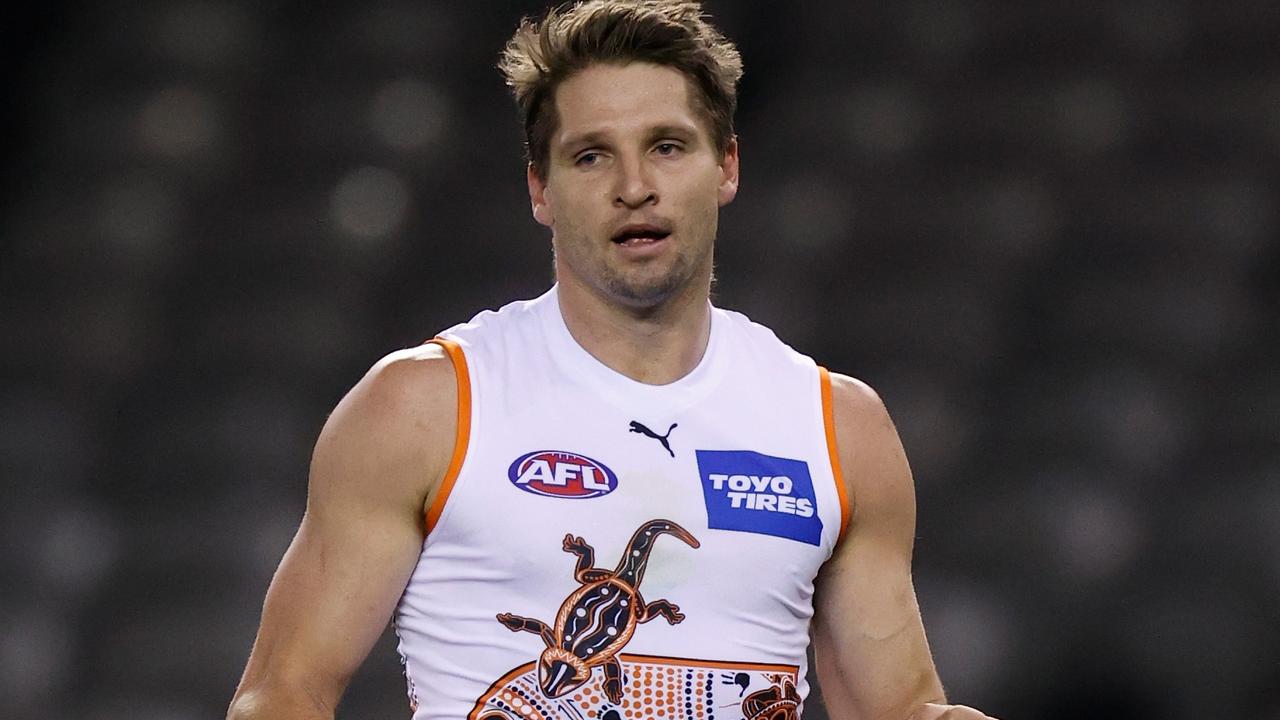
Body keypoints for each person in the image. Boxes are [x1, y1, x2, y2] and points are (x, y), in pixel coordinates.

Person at [227, 2, 1000, 719]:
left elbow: (899, 711)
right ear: (541, 188)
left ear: (726, 166)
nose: (635, 187)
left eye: (667, 147)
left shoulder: (839, 428)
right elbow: (282, 693)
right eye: (592, 156)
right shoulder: (427, 406)